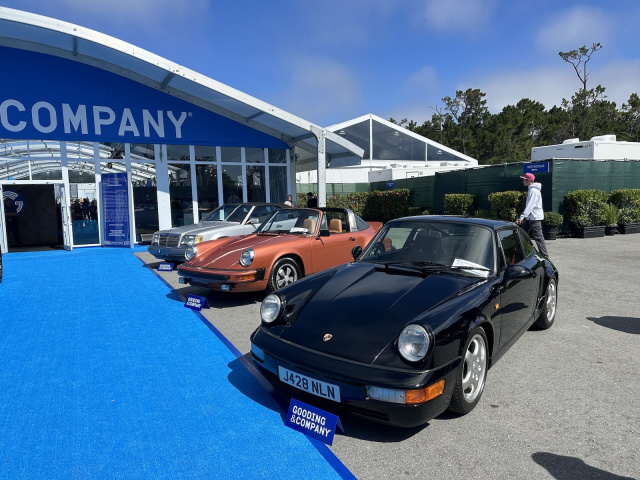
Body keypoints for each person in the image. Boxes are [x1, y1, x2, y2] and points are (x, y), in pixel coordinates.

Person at [517, 172, 549, 258]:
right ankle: (524, 252)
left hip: (534, 218)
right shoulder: (532, 190)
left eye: (524, 179)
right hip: (531, 217)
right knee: (523, 235)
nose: (523, 181)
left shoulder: (533, 191)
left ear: (528, 180)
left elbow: (530, 205)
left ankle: (545, 257)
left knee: (538, 238)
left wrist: (522, 216)